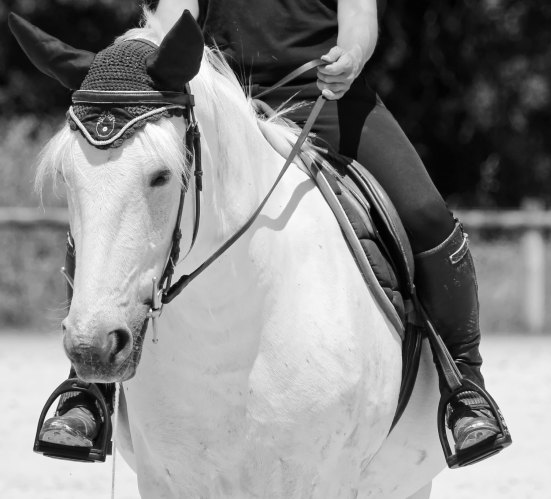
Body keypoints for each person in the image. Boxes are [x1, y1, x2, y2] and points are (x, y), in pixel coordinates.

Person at [38, 0, 510, 466]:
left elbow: (359, 18)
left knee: (426, 214)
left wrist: (350, 56)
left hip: (324, 97)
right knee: (114, 196)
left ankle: (464, 387)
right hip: (216, 101)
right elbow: (171, 20)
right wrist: (136, 64)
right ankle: (89, 389)